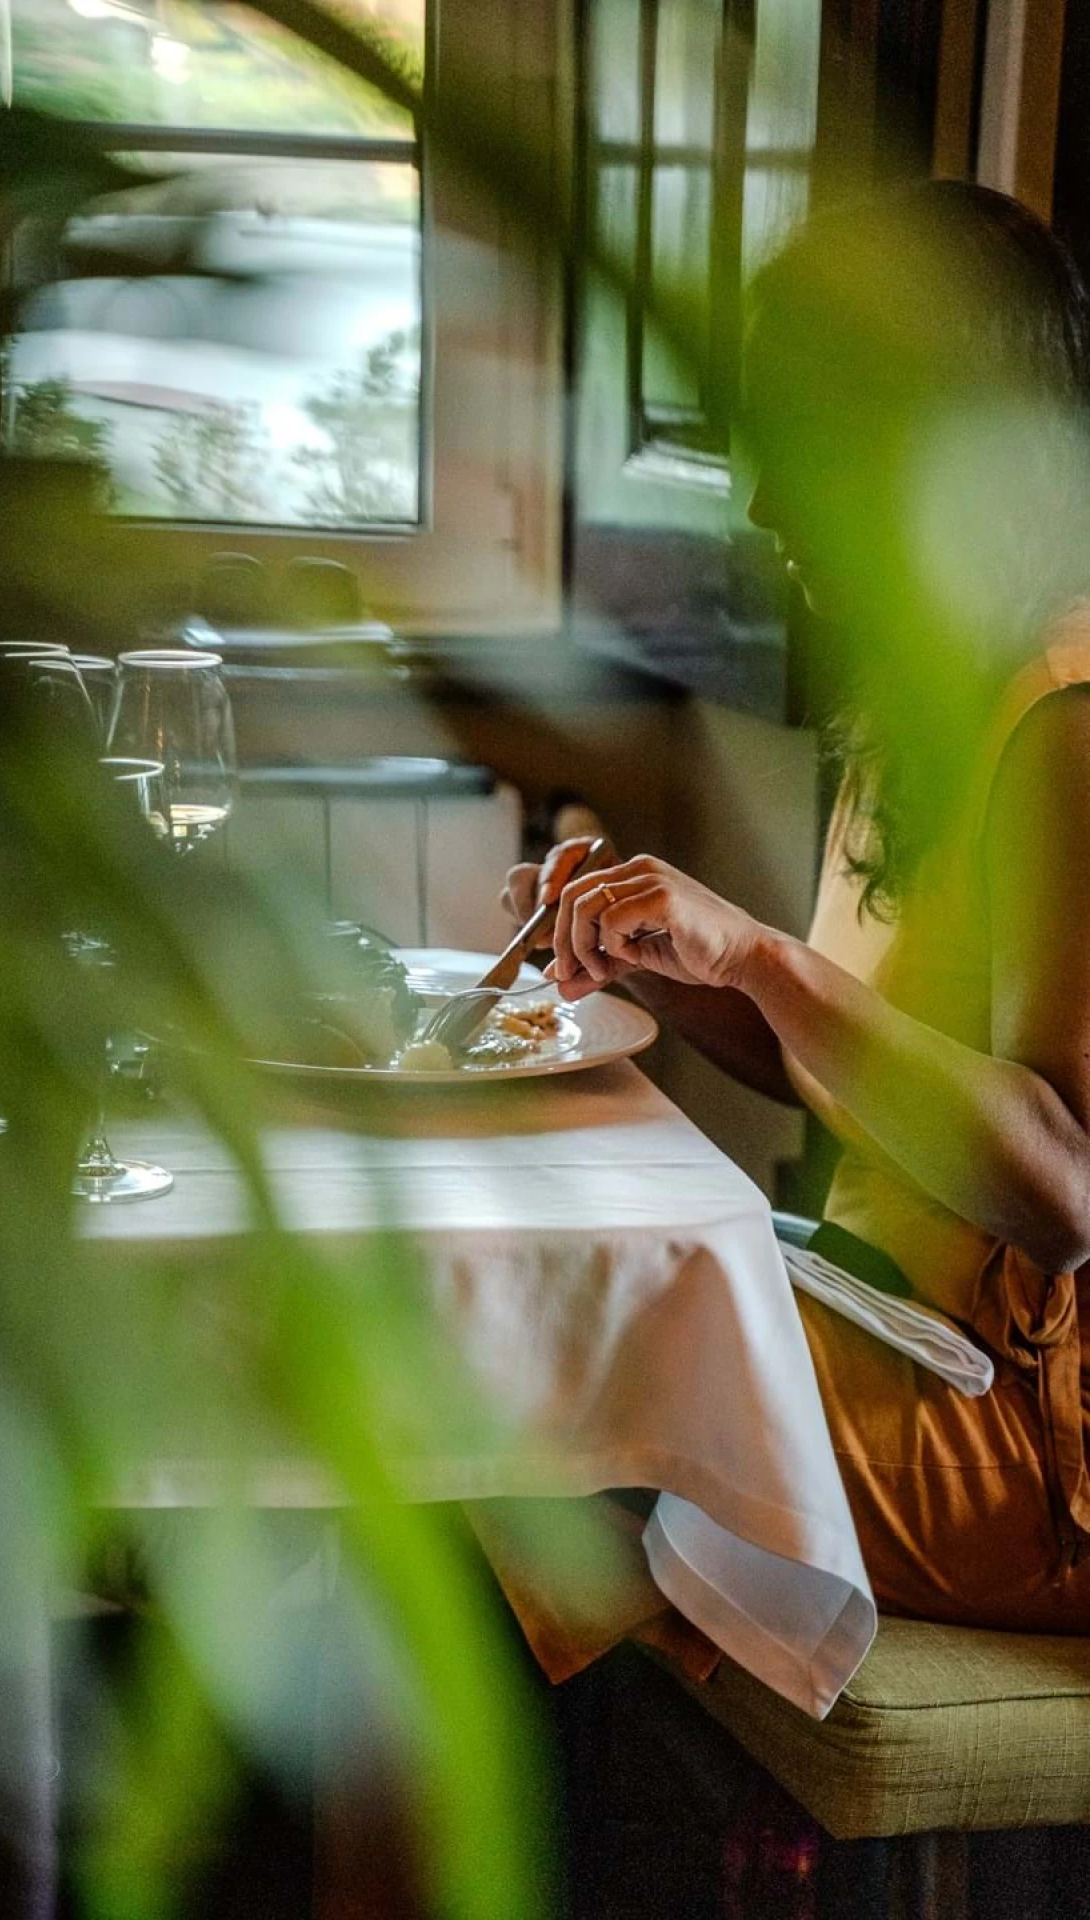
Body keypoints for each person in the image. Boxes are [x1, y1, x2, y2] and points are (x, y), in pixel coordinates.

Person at [502, 181, 1090, 1652]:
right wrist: (667, 956)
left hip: (1017, 1441)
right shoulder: (928, 695)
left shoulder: (1066, 723)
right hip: (889, 1323)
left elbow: (1063, 1191)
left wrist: (756, 953)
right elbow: (873, 1078)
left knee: (511, 1371)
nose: (765, 505)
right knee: (523, 1293)